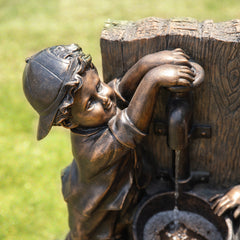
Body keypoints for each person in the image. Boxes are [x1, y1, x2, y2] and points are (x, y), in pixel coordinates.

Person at [23, 44, 195, 240]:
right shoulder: (91, 151)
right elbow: (130, 127)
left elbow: (120, 91)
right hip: (99, 226)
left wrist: (145, 64)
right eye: (90, 103)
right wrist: (153, 79)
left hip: (123, 202)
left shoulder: (96, 112)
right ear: (69, 121)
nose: (104, 97)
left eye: (98, 85)